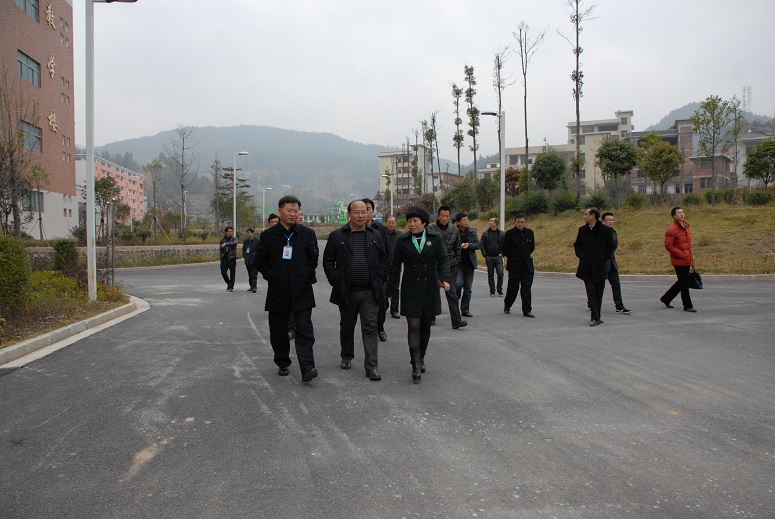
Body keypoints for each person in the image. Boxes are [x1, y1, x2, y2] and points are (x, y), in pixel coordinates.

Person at [255, 195, 320, 383]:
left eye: (296, 211)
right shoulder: (268, 236)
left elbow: (313, 257)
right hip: (278, 291)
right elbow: (260, 260)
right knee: (278, 331)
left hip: (302, 290)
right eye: (289, 211)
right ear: (280, 211)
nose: (293, 214)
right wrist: (272, 276)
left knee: (305, 329)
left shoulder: (307, 234)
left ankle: (307, 367)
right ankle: (282, 361)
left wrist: (305, 275)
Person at [323, 200, 388, 381]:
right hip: (347, 291)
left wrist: (381, 278)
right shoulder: (337, 235)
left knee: (371, 327)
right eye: (357, 212)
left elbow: (384, 260)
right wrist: (335, 281)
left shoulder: (376, 235)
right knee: (347, 325)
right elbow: (328, 260)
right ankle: (346, 355)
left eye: (364, 212)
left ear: (368, 214)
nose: (361, 216)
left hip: (370, 292)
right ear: (349, 214)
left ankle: (372, 366)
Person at [387, 206, 451, 382]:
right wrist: (390, 289)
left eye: (415, 221)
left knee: (425, 326)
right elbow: (395, 266)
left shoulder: (434, 238)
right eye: (409, 221)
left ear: (424, 222)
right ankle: (415, 364)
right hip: (410, 288)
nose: (411, 224)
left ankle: (421, 356)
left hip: (429, 287)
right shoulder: (402, 240)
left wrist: (445, 279)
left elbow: (444, 259)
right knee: (413, 325)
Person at [574, 207, 616, 326]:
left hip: (600, 266)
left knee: (599, 292)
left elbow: (611, 246)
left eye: (586, 214)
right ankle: (596, 318)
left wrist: (602, 258)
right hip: (586, 266)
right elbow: (577, 245)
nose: (584, 216)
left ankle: (596, 316)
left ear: (593, 216)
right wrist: (582, 256)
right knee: (591, 291)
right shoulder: (582, 230)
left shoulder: (605, 230)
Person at [428, 206, 467, 329]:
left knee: (452, 293)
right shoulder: (430, 228)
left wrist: (456, 261)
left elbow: (457, 248)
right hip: (434, 265)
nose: (444, 218)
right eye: (442, 216)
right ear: (438, 216)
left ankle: (456, 320)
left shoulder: (454, 230)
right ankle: (431, 316)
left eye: (447, 216)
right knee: (433, 292)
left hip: (450, 265)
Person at [361, 198, 390, 341]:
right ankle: (368, 329)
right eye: (362, 209)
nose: (365, 212)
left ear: (372, 211)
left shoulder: (381, 230)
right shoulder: (354, 229)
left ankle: (380, 327)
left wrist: (385, 274)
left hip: (378, 274)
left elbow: (386, 254)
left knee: (381, 303)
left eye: (368, 209)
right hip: (362, 275)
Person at [660, 206, 696, 312]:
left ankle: (666, 298)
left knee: (682, 281)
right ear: (674, 216)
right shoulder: (671, 229)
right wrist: (681, 254)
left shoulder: (686, 227)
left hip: (687, 259)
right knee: (684, 284)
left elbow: (687, 244)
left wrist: (690, 256)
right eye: (679, 213)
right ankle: (687, 305)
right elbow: (668, 246)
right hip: (679, 260)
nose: (682, 214)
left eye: (682, 212)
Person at [502, 214, 535, 318]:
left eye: (522, 222)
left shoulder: (530, 233)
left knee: (526, 289)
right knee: (513, 288)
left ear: (525, 222)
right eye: (518, 222)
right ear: (515, 222)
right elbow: (505, 248)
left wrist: (525, 256)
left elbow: (532, 247)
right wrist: (513, 257)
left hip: (527, 265)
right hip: (514, 265)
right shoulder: (509, 233)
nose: (520, 224)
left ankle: (527, 310)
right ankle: (507, 305)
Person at [601, 212, 631, 314]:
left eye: (612, 220)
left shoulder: (613, 232)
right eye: (608, 220)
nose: (611, 222)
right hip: (602, 263)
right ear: (603, 221)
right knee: (599, 286)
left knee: (616, 284)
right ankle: (591, 304)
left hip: (612, 263)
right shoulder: (599, 233)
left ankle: (619, 306)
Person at [455, 213, 482, 318]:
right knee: (458, 284)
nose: (466, 222)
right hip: (457, 264)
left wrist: (469, 245)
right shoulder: (453, 232)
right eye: (464, 220)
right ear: (458, 222)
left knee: (468, 288)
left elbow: (479, 244)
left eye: (467, 220)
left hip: (470, 263)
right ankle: (454, 306)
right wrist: (459, 246)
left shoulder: (472, 232)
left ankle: (465, 309)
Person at [480, 217, 505, 296]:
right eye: (489, 221)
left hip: (498, 256)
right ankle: (492, 291)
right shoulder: (485, 233)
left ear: (496, 223)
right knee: (490, 274)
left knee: (500, 273)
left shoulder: (501, 234)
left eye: (491, 221)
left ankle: (500, 290)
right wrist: (485, 254)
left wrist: (502, 253)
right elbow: (482, 244)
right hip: (489, 257)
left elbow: (505, 244)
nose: (489, 222)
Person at [385, 215, 402, 319]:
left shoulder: (400, 236)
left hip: (396, 266)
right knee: (383, 287)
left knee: (395, 288)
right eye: (389, 222)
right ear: (386, 223)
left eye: (393, 222)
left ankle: (394, 310)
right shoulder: (381, 234)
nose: (391, 224)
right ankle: (384, 305)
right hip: (383, 266)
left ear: (395, 223)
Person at [219, 226, 238, 292]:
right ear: (226, 232)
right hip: (224, 258)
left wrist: (226, 244)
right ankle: (229, 283)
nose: (230, 233)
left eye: (231, 231)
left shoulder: (234, 239)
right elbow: (221, 249)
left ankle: (231, 286)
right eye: (229, 231)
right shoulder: (222, 240)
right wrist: (221, 257)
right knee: (223, 272)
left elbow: (234, 243)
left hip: (232, 258)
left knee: (232, 273)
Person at [242, 227, 258, 293]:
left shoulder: (257, 241)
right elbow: (244, 249)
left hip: (254, 260)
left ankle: (254, 287)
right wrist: (244, 255)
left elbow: (259, 250)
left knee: (254, 273)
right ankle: (251, 286)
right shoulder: (245, 241)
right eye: (247, 233)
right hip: (247, 260)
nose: (247, 234)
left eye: (248, 233)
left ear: (252, 233)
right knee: (250, 274)